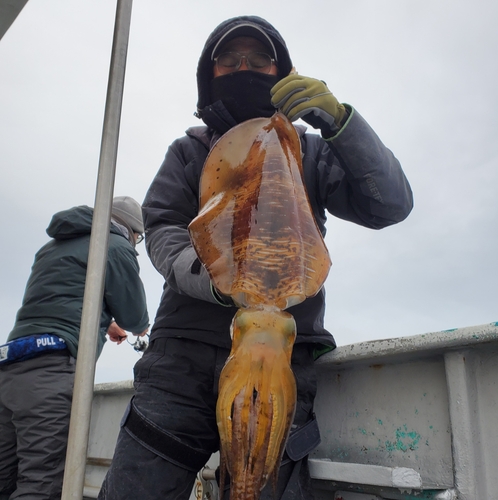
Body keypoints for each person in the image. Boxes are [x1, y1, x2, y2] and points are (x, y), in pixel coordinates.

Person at [98, 15, 413, 500]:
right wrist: (215, 280)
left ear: (280, 71)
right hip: (182, 353)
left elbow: (389, 203)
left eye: (259, 59)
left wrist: (340, 123)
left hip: (287, 347)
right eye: (229, 59)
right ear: (211, 74)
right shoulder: (189, 151)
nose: (244, 66)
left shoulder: (308, 151)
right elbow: (162, 227)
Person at [0, 196, 150, 500]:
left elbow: (57, 300)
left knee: (4, 475)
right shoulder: (115, 246)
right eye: (139, 237)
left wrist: (101, 321)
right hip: (51, 371)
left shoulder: (52, 247)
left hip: (11, 366)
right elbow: (135, 317)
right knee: (41, 481)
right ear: (132, 231)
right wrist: (138, 326)